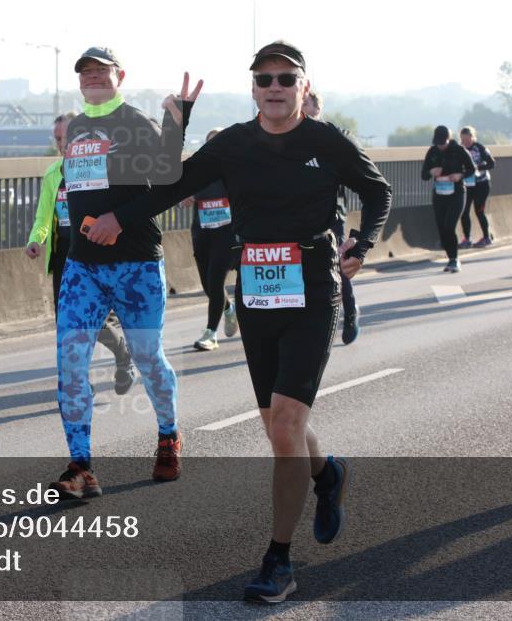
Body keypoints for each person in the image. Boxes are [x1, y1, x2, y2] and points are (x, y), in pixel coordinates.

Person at [90, 41, 392, 603]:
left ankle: (278, 560)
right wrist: (169, 132)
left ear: (303, 87)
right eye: (264, 79)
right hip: (255, 288)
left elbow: (378, 190)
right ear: (253, 88)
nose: (274, 88)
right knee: (281, 425)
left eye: (285, 78)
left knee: (284, 427)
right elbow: (167, 184)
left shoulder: (325, 142)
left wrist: (364, 242)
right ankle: (328, 476)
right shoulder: (232, 143)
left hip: (313, 286)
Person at [47, 46, 201, 499]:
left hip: (135, 264)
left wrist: (177, 123)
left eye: (101, 71)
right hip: (83, 267)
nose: (92, 77)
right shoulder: (76, 126)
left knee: (148, 357)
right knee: (70, 363)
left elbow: (169, 178)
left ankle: (169, 435)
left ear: (120, 76)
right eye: (86, 73)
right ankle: (81, 467)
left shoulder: (135, 123)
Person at [25, 113, 135, 393]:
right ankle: (80, 382)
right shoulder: (53, 174)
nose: (62, 143)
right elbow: (42, 217)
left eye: (68, 137)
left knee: (92, 320)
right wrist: (35, 240)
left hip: (94, 254)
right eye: (58, 138)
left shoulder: (98, 170)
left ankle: (122, 352)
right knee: (68, 323)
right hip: (64, 256)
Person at [302, 91, 360, 344]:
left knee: (336, 264)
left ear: (317, 109)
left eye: (306, 103)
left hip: (332, 214)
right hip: (300, 216)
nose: (300, 108)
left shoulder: (333, 138)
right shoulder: (288, 139)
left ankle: (350, 312)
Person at [181, 128, 239, 351]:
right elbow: (179, 191)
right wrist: (184, 195)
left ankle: (210, 334)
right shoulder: (198, 170)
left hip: (226, 234)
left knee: (215, 281)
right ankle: (228, 308)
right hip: (202, 233)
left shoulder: (234, 171)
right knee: (208, 285)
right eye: (210, 144)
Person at [422, 126, 475, 273]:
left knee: (449, 226)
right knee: (441, 228)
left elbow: (472, 168)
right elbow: (424, 175)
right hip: (439, 194)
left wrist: (460, 175)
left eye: (443, 143)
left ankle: (454, 259)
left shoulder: (459, 150)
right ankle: (450, 256)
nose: (441, 146)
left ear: (449, 139)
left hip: (457, 193)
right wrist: (431, 171)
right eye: (438, 143)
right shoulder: (432, 152)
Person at [458, 126, 496, 248]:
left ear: (472, 137)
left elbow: (492, 163)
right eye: (462, 140)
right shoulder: (460, 149)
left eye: (467, 139)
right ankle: (467, 239)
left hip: (482, 184)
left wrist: (479, 167)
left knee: (479, 211)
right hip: (467, 185)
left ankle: (486, 237)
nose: (465, 142)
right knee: (464, 211)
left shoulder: (480, 148)